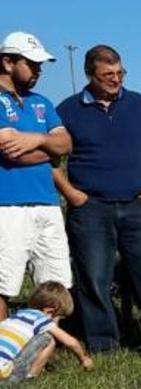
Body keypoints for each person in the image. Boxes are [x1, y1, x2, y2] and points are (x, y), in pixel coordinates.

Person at [54, 45, 141, 354]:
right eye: (108, 75)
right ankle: (104, 346)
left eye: (120, 73)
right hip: (91, 209)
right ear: (91, 75)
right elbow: (51, 160)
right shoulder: (68, 110)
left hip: (137, 206)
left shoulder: (138, 105)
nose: (116, 80)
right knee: (94, 279)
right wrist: (71, 194)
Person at [0, 31, 73, 320]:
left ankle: (41, 346)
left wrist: (35, 140)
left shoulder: (41, 101)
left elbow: (66, 144)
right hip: (8, 206)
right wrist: (48, 145)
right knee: (4, 284)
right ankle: (4, 351)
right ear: (7, 62)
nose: (39, 71)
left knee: (55, 284)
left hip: (47, 202)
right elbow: (13, 152)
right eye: (32, 64)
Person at [0, 282, 93, 386]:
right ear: (50, 311)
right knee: (48, 340)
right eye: (59, 318)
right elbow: (71, 343)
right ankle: (29, 379)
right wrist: (84, 358)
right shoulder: (41, 319)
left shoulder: (17, 315)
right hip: (5, 376)